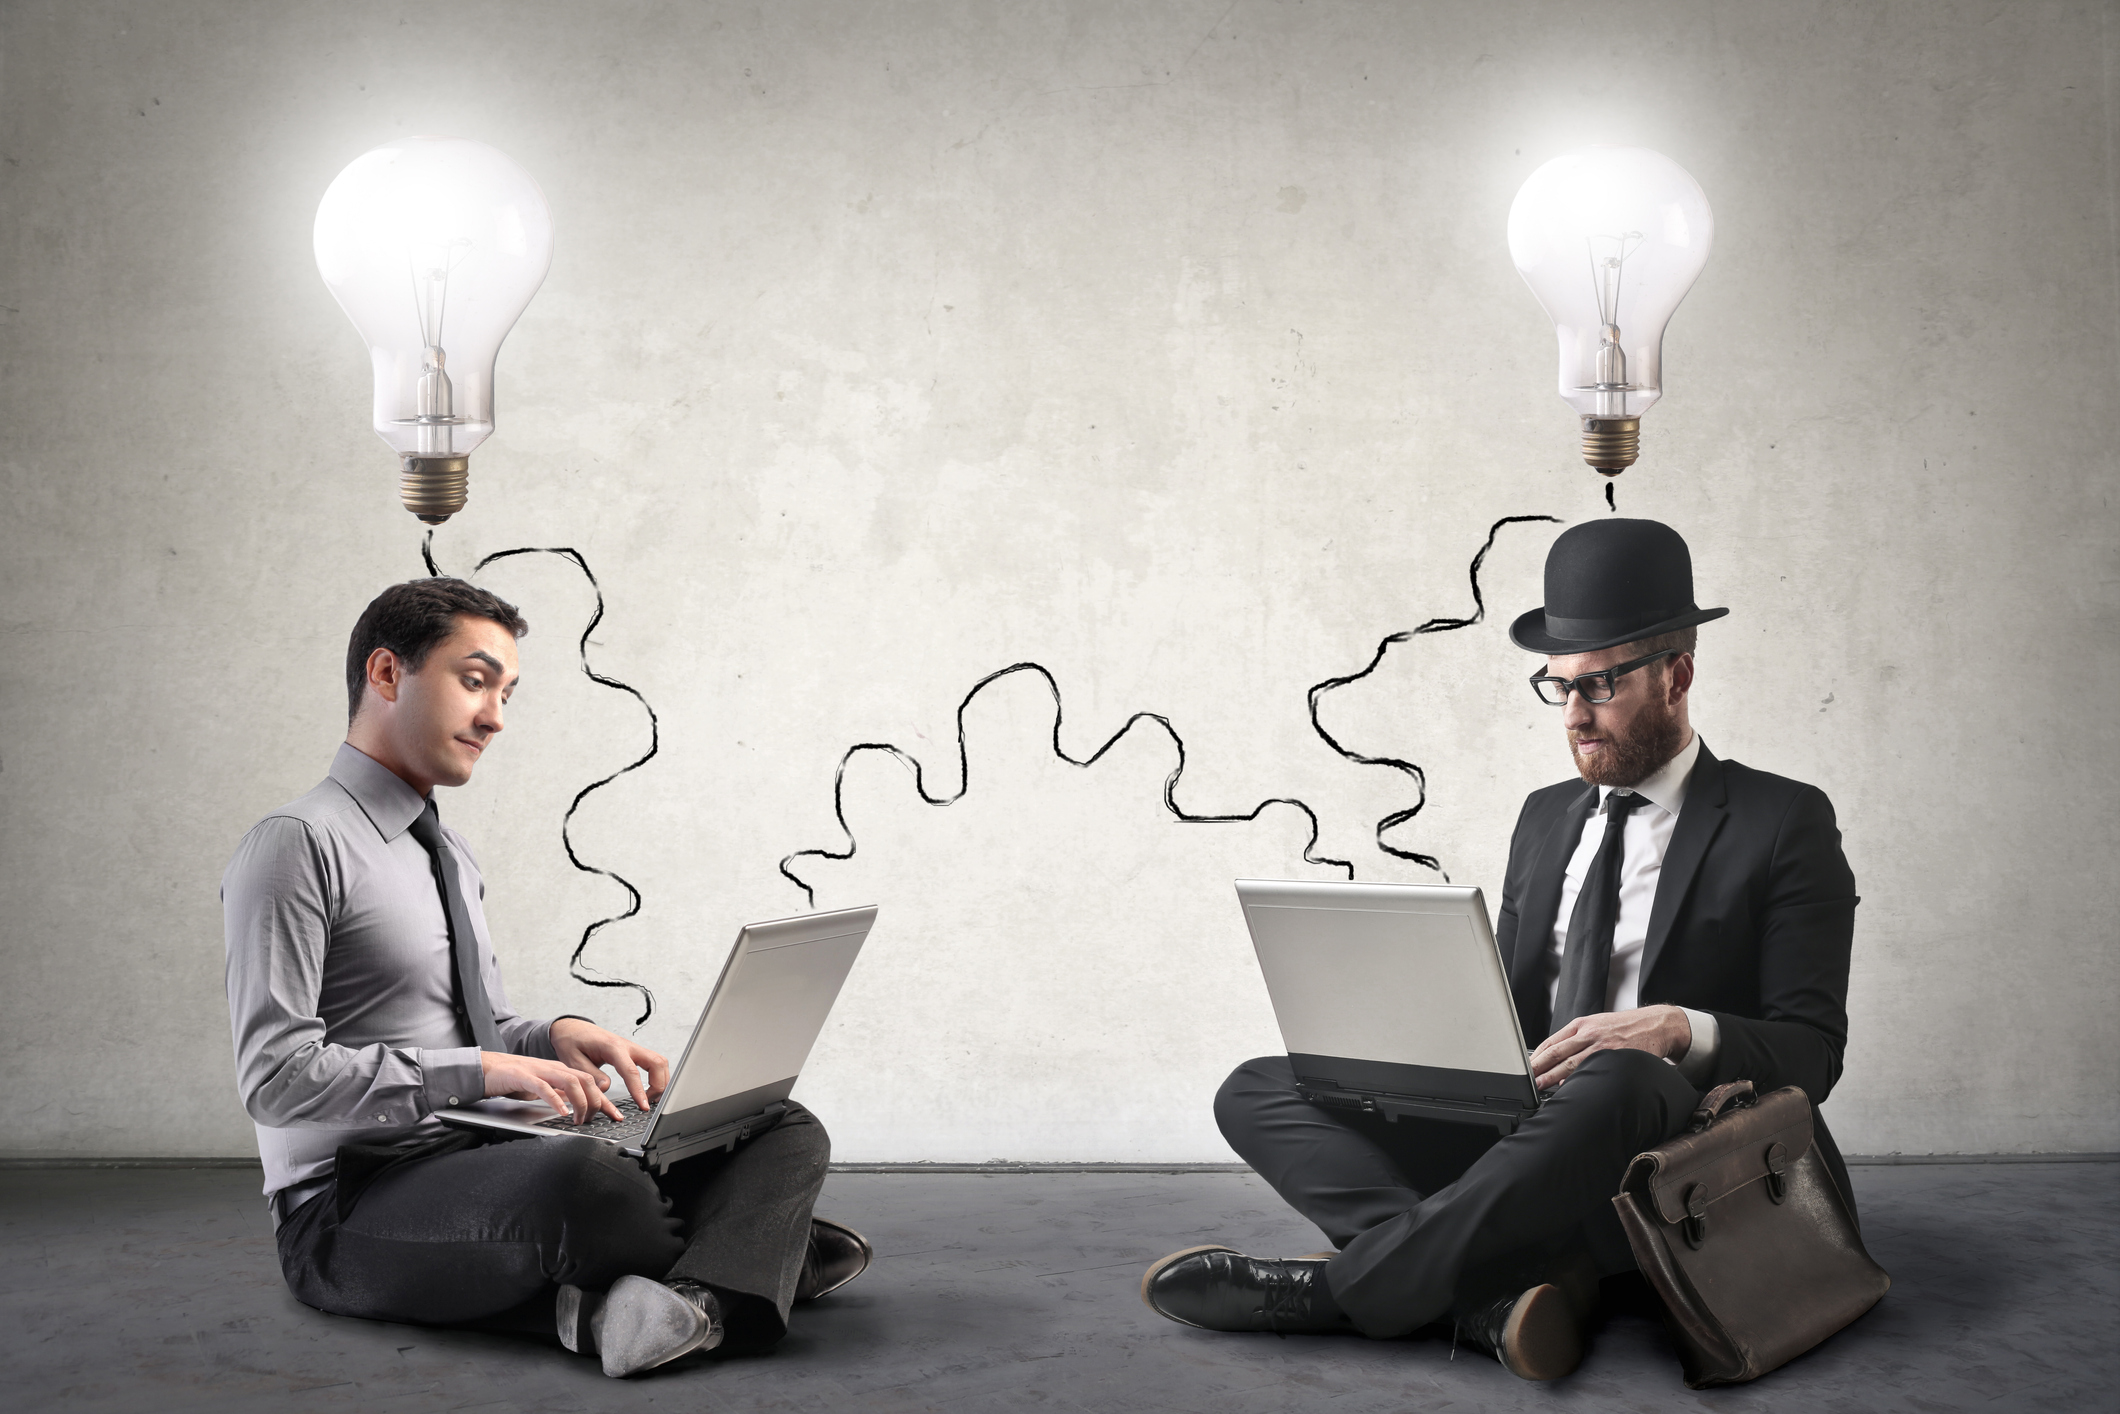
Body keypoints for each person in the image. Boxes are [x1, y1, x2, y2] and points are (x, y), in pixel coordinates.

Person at [1140, 518, 1860, 1381]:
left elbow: (1813, 1055)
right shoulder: (1543, 816)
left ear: (1678, 675)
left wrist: (1678, 1028)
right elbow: (1512, 1010)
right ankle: (1490, 1297)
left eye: (1601, 685)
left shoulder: (1784, 821)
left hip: (1670, 1159)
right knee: (1258, 1085)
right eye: (1556, 688)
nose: (1575, 715)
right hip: (1530, 1148)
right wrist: (1409, 1044)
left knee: (1623, 1076)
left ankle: (1338, 1292)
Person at [222, 577, 870, 1379]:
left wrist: (556, 1035)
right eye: (475, 680)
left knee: (778, 1121)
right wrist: (483, 1070)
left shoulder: (447, 853)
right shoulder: (295, 845)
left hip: (489, 1153)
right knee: (593, 1184)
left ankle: (695, 1301)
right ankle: (757, 1260)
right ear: (387, 674)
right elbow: (275, 1080)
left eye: (506, 692)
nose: (496, 715)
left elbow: (480, 1025)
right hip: (351, 1206)